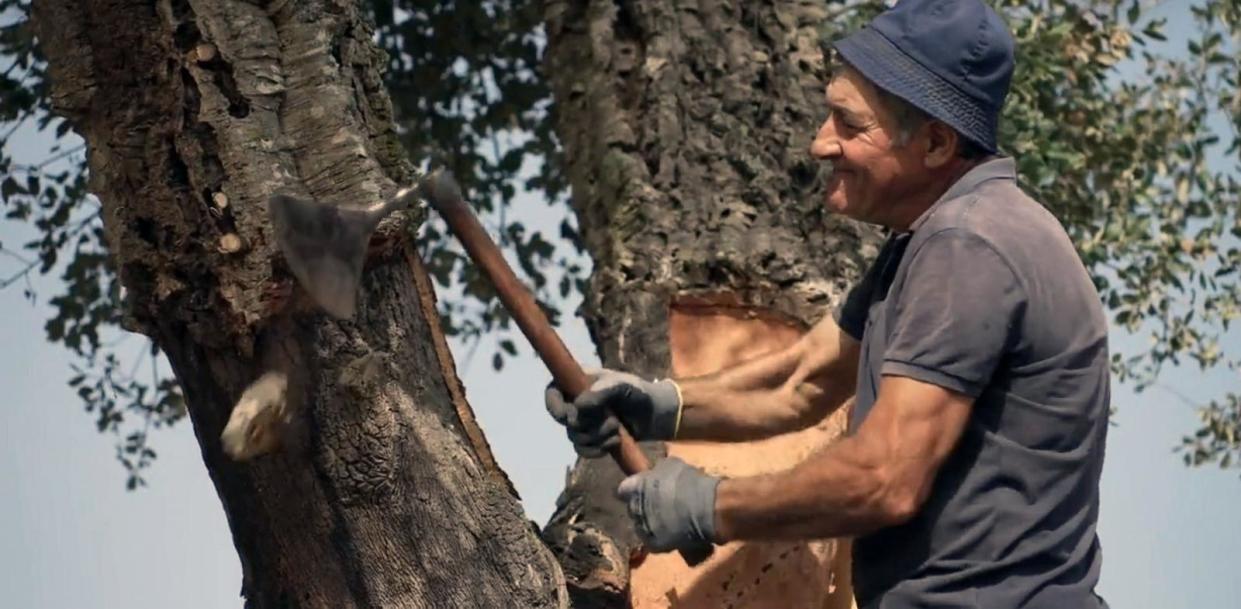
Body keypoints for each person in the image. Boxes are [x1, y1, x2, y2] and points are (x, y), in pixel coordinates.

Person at [545, 1, 1112, 607]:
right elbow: (802, 381)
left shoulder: (968, 247)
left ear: (937, 143)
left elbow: (884, 477)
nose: (820, 144)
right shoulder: (930, 239)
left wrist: (711, 506)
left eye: (849, 123)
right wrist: (656, 405)